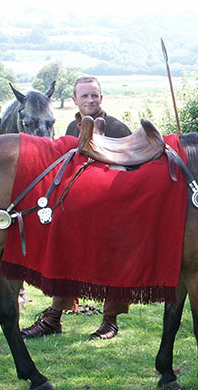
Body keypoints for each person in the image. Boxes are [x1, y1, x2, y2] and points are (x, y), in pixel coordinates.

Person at [21, 76, 133, 341]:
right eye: (85, 96)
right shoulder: (72, 127)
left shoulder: (118, 128)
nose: (90, 100)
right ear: (75, 100)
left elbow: (133, 170)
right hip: (75, 210)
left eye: (94, 95)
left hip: (112, 211)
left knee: (112, 263)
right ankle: (54, 318)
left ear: (101, 98)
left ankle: (110, 320)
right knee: (66, 259)